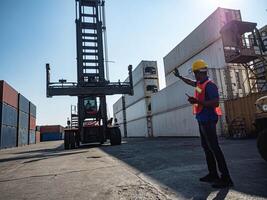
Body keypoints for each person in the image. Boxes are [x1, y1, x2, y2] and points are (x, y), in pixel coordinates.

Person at [173, 59, 233, 188]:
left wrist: (197, 102)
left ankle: (226, 178)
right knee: (207, 148)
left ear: (200, 72)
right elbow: (190, 83)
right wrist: (179, 76)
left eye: (195, 73)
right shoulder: (200, 85)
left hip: (209, 120)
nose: (194, 75)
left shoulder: (209, 85)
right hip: (201, 120)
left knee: (214, 148)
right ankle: (213, 174)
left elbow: (215, 102)